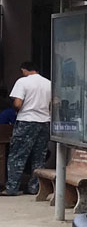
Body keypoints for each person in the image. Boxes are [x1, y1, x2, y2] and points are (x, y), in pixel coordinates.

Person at [3, 62, 52, 196]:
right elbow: (54, 102)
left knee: (17, 155)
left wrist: (17, 109)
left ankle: (12, 188)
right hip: (44, 122)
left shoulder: (22, 82)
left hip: (26, 121)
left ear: (24, 70)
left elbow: (18, 103)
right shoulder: (48, 83)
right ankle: (35, 188)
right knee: (39, 157)